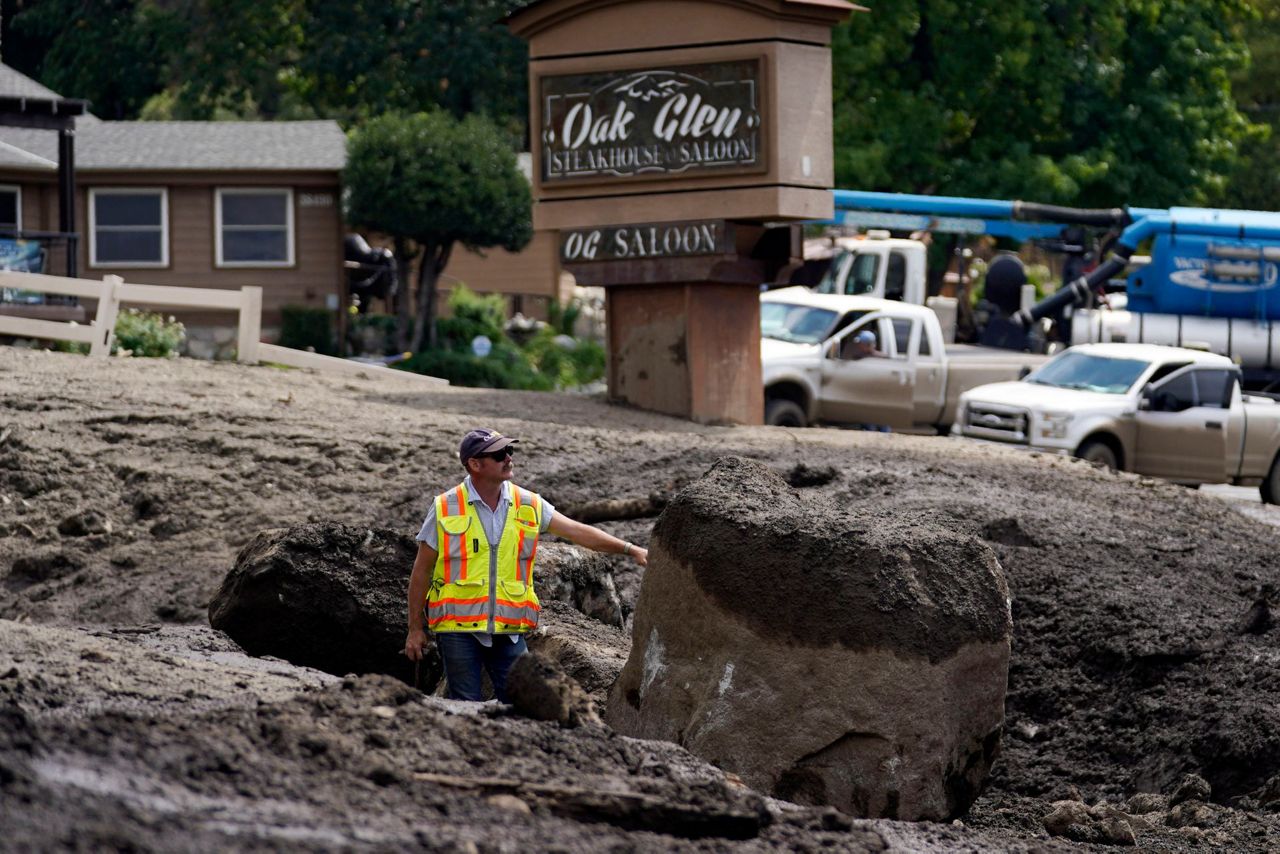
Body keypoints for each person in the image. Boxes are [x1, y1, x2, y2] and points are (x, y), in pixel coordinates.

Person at [404, 428, 648, 702]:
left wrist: (630, 549)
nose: (508, 458)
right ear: (474, 464)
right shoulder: (445, 507)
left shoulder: (529, 504)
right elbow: (421, 570)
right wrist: (415, 629)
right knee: (463, 705)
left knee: (524, 704)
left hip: (508, 629)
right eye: (499, 454)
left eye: (510, 451)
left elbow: (577, 531)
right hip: (457, 629)